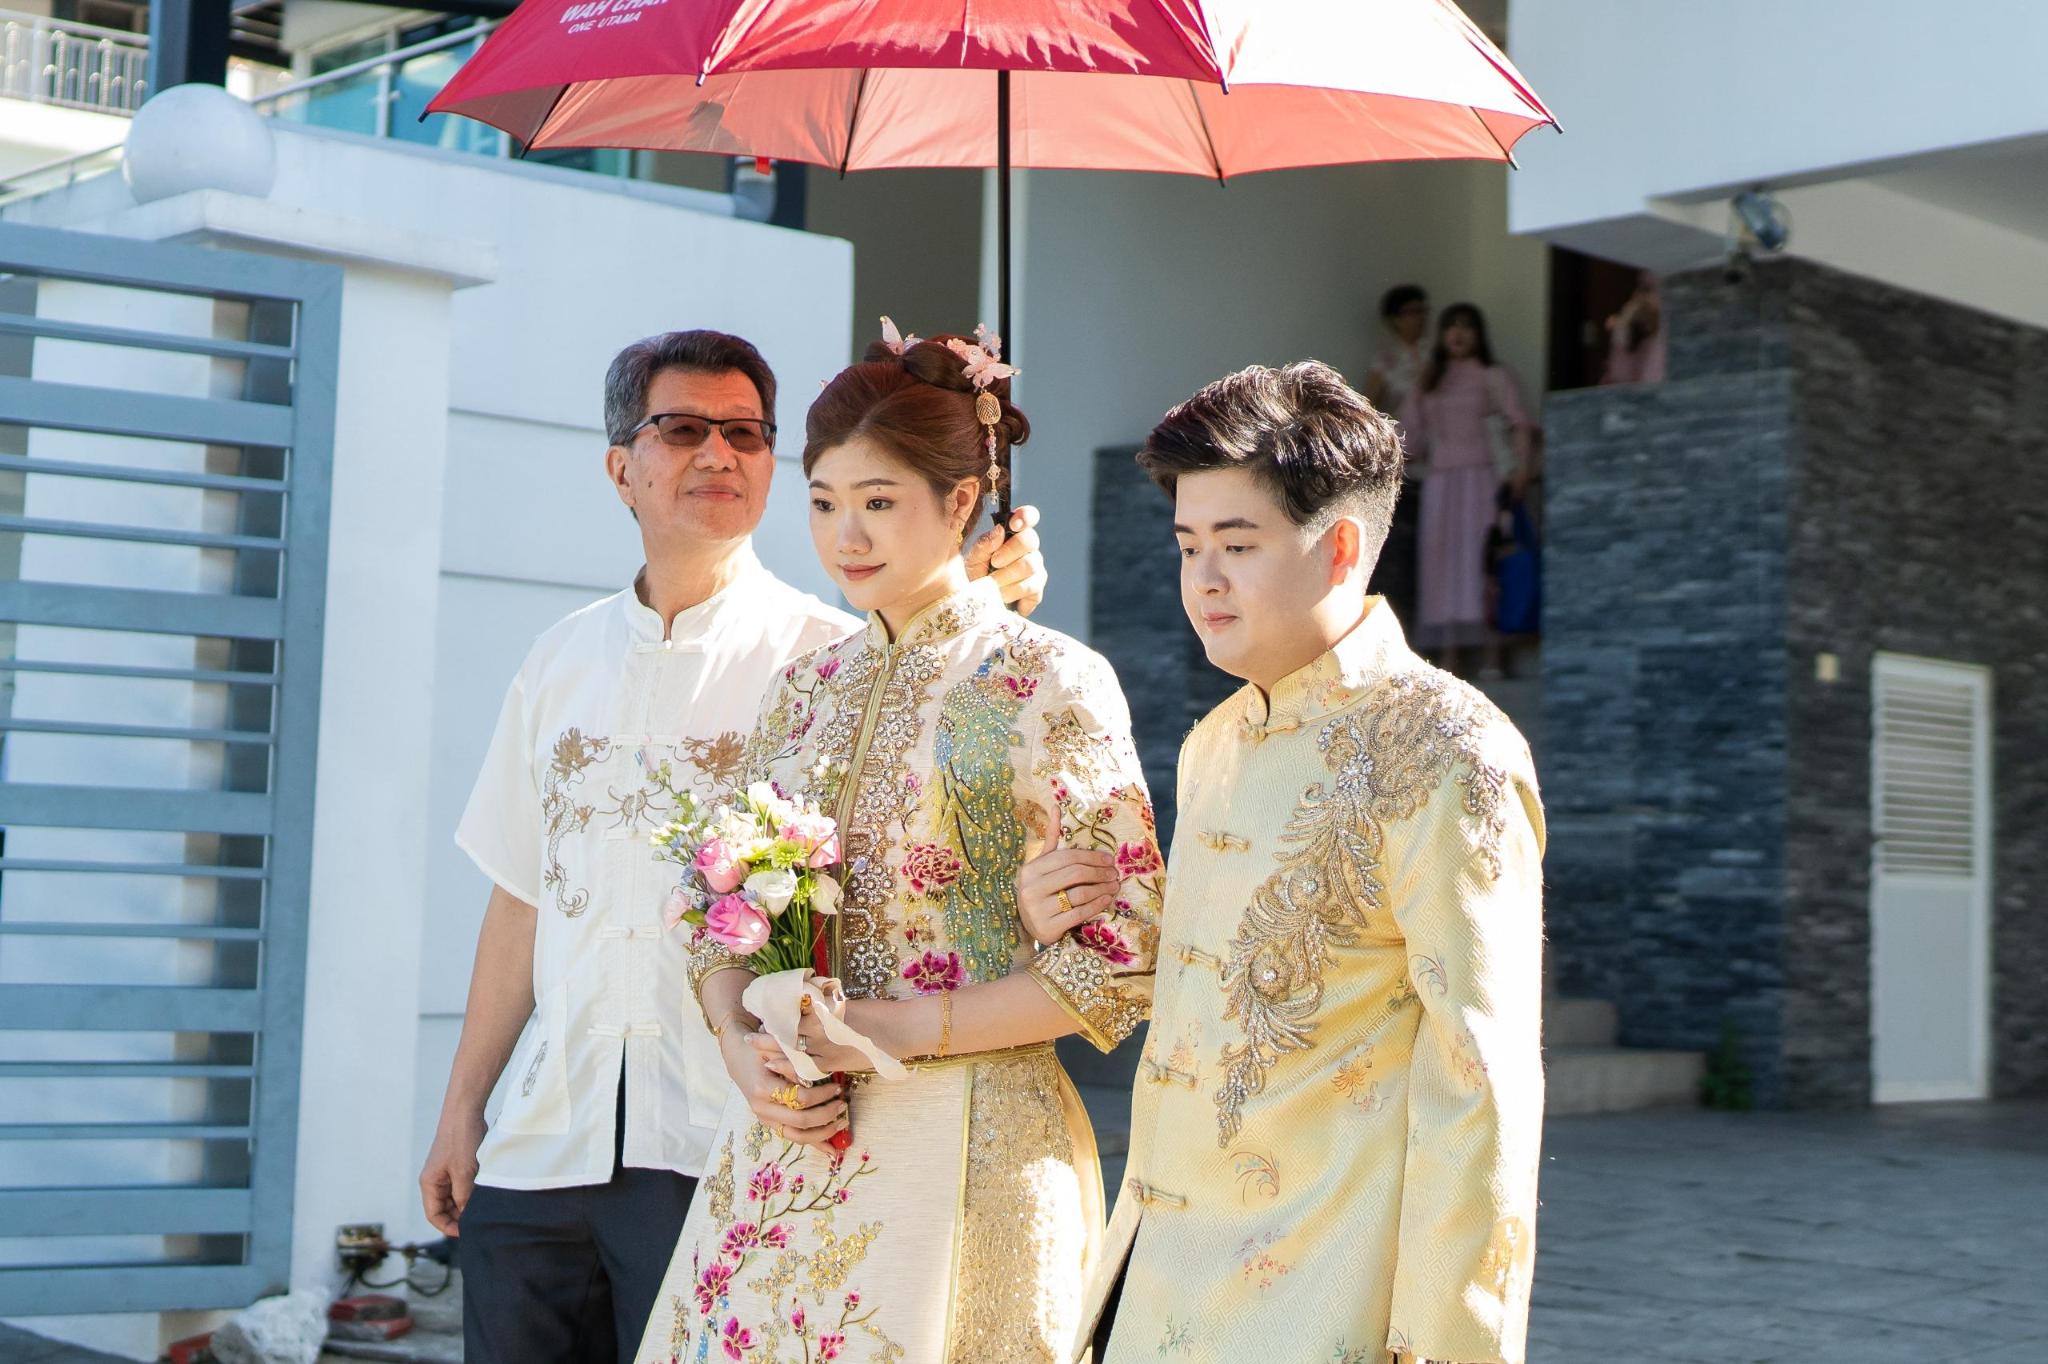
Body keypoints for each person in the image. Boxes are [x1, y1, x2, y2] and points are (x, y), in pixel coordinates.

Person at [420, 329, 1049, 1364]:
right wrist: (460, 1109)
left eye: (748, 434)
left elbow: (949, 740)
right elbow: (521, 895)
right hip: (539, 1148)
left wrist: (990, 592)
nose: (720, 453)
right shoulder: (556, 659)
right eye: (684, 428)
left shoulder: (830, 655)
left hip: (729, 1139)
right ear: (621, 464)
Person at [633, 326, 1163, 1364]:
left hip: (970, 1142)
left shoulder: (1047, 678)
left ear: (961, 501)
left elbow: (1117, 959)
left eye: (879, 501)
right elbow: (713, 912)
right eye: (825, 502)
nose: (846, 536)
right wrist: (742, 1047)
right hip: (790, 1139)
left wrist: (887, 1024)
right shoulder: (802, 689)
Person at [1045, 361, 1545, 1364]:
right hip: (1153, 1282)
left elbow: (1478, 1084)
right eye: (1188, 546)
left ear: (1341, 545)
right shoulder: (1213, 742)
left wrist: (1445, 1344)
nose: (1203, 580)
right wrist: (1061, 911)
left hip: (1324, 1297)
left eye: (1236, 544)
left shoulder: (1446, 747)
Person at [1400, 302, 1536, 679]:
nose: (1459, 334)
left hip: (1483, 479)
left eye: (1467, 327)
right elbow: (1408, 439)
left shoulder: (1493, 375)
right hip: (1442, 483)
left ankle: (1493, 656)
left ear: (1479, 334)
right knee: (1440, 564)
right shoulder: (1428, 382)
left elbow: (1519, 425)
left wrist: (1521, 472)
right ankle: (1449, 660)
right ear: (1442, 335)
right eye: (1451, 327)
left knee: (1483, 562)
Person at [1361, 284, 1429, 634]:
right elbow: (1367, 408)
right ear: (1393, 319)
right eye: (1409, 312)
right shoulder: (1386, 360)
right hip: (1406, 464)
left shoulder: (1438, 353)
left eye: (1422, 311)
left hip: (1445, 463)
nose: (1418, 319)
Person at [1600, 270, 1666, 385]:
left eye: (1647, 290)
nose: (1638, 297)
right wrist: (1622, 328)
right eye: (1642, 290)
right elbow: (1619, 378)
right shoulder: (1643, 340)